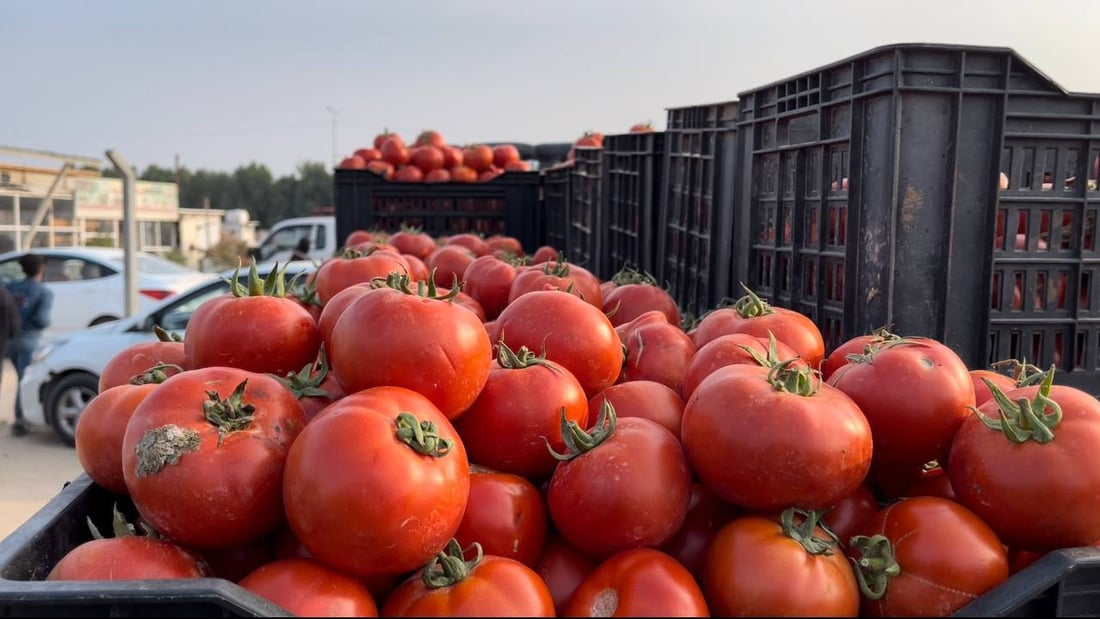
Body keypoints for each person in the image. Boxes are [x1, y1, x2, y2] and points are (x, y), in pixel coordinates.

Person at [7, 254, 53, 436]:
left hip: (9, 340)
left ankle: (20, 417)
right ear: (41, 269)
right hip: (29, 339)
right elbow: (43, 320)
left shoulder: (10, 288)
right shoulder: (44, 292)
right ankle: (20, 419)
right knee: (23, 379)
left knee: (19, 377)